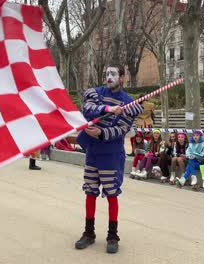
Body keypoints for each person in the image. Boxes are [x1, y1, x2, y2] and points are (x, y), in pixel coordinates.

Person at [74, 64, 143, 254]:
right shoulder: (95, 93)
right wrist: (109, 109)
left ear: (122, 77)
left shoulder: (129, 103)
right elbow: (87, 109)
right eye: (107, 74)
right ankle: (89, 233)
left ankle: (113, 236)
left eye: (113, 74)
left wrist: (101, 132)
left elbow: (122, 130)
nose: (109, 77)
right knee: (90, 191)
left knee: (112, 193)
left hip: (112, 154)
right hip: (93, 152)